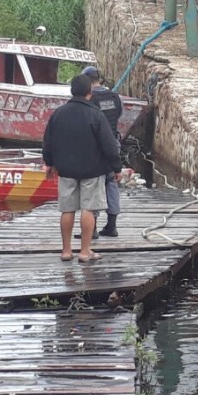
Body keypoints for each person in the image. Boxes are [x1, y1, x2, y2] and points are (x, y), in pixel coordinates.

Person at [42, 74, 123, 263]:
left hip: (66, 170)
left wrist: (49, 163)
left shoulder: (58, 114)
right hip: (92, 170)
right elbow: (109, 145)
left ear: (71, 91)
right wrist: (116, 167)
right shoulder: (96, 115)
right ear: (89, 92)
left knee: (67, 210)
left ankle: (66, 251)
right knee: (89, 208)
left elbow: (48, 142)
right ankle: (85, 252)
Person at [83, 66, 123, 238]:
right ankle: (111, 226)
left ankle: (91, 229)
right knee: (111, 183)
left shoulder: (90, 98)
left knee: (93, 185)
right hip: (114, 143)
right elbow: (119, 114)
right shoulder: (114, 97)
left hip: (96, 146)